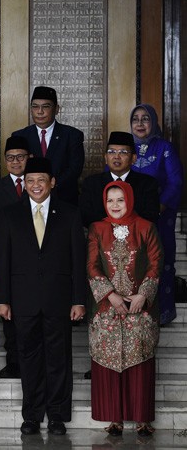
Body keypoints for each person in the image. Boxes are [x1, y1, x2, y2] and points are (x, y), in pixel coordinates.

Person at [0, 158, 87, 436]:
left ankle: (57, 415)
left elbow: (78, 261)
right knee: (29, 359)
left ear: (52, 183)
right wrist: (3, 298)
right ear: (24, 184)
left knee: (59, 359)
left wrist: (79, 299)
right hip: (23, 302)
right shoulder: (10, 215)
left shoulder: (70, 214)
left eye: (41, 180)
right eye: (30, 180)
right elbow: (2, 261)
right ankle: (32, 416)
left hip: (59, 300)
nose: (35, 185)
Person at [87, 181, 163, 437]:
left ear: (129, 200)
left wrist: (143, 294)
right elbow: (92, 266)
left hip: (139, 308)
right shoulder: (97, 229)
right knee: (107, 363)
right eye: (110, 201)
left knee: (140, 362)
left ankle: (142, 419)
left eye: (120, 200)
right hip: (107, 309)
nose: (115, 205)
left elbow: (155, 262)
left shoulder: (146, 227)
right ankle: (114, 418)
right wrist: (110, 295)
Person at [129, 104, 184, 325]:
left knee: (159, 260)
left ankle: (163, 311)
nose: (140, 124)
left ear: (153, 122)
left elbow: (175, 181)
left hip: (160, 217)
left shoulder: (164, 148)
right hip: (130, 218)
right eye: (136, 119)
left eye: (145, 119)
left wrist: (158, 208)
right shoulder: (125, 148)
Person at [0, 135, 31, 379]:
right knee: (8, 313)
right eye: (10, 158)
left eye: (20, 157)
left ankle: (30, 361)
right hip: (6, 256)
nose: (15, 162)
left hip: (34, 257)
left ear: (29, 158)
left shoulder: (36, 185)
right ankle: (12, 362)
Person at [11, 86, 84, 205]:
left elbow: (75, 169)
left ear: (56, 109)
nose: (40, 111)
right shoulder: (20, 136)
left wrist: (49, 185)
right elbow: (17, 168)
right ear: (31, 110)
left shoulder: (72, 135)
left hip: (63, 200)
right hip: (30, 199)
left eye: (46, 106)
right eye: (35, 107)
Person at [79, 131, 159, 227]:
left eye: (123, 152)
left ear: (133, 158)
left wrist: (124, 229)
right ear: (105, 158)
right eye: (111, 152)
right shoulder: (91, 183)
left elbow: (150, 216)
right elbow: (85, 216)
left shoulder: (147, 183)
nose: (116, 157)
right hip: (101, 237)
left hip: (135, 238)